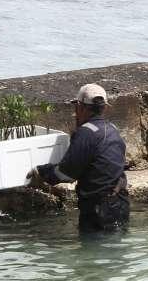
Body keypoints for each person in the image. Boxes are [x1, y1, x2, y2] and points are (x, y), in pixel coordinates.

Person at [26, 83, 130, 232]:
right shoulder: (113, 129)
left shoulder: (85, 133)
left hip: (98, 208)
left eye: (76, 108)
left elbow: (66, 174)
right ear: (104, 108)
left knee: (93, 250)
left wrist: (40, 172)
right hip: (121, 203)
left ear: (80, 107)